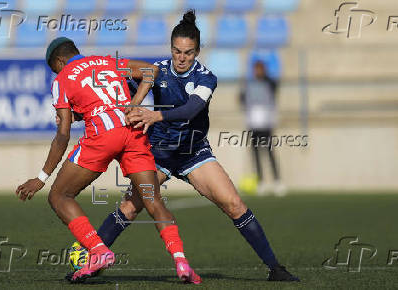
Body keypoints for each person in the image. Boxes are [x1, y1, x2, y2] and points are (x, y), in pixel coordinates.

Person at [95, 10, 299, 282]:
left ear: (197, 51)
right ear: (171, 49)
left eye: (188, 52)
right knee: (130, 207)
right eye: (177, 51)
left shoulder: (206, 77)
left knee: (234, 204)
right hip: (159, 155)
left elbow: (191, 109)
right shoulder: (156, 70)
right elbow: (127, 86)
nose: (181, 58)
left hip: (194, 154)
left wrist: (155, 115)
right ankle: (88, 260)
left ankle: (275, 268)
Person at [15, 37, 201, 284]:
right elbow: (151, 71)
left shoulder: (62, 79)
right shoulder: (106, 61)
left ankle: (98, 250)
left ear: (60, 61)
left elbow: (63, 134)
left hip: (103, 137)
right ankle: (181, 262)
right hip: (132, 132)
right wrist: (133, 104)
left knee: (59, 196)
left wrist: (41, 177)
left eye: (54, 68)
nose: (56, 73)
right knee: (153, 200)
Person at [240, 60, 286, 196]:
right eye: (256, 69)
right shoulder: (249, 85)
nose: (258, 72)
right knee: (256, 154)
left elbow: (275, 86)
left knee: (270, 152)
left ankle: (277, 181)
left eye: (260, 69)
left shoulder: (269, 83)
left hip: (266, 124)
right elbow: (242, 98)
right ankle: (261, 182)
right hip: (253, 124)